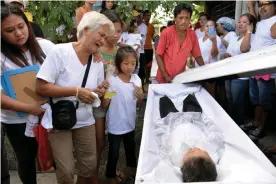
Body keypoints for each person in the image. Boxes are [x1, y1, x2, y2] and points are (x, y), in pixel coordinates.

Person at [36, 11, 114, 184]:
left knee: (89, 166)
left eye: (105, 37)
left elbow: (94, 91)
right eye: (101, 35)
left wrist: (98, 91)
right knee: (66, 171)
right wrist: (76, 91)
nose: (102, 41)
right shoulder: (60, 52)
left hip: (86, 120)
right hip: (60, 118)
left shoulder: (97, 61)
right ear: (85, 30)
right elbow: (41, 87)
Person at [1, 5, 54, 184]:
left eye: (21, 26)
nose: (18, 33)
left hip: (49, 114)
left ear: (28, 25)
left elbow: (69, 62)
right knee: (26, 161)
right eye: (9, 30)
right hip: (17, 121)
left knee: (55, 157)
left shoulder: (44, 46)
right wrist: (31, 108)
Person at [143, 94, 224, 182]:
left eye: (191, 152)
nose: (196, 148)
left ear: (183, 165)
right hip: (193, 120)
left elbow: (163, 142)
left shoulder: (174, 159)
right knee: (191, 100)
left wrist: (163, 126)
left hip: (173, 122)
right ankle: (189, 96)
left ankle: (164, 97)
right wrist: (204, 119)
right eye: (203, 151)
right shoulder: (213, 155)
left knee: (164, 102)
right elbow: (215, 134)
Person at [102, 46, 144, 184]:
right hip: (115, 124)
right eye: (126, 63)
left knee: (130, 150)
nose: (130, 67)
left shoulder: (136, 80)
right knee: (113, 153)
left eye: (133, 63)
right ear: (118, 63)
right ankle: (110, 176)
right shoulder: (113, 82)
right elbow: (105, 104)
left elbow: (138, 102)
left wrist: (141, 97)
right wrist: (107, 87)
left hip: (130, 123)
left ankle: (131, 171)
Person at [92, 10, 122, 184]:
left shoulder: (120, 52)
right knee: (99, 142)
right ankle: (93, 175)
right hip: (97, 103)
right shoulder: (95, 50)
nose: (117, 35)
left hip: (115, 102)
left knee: (114, 140)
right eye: (113, 31)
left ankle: (111, 172)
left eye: (119, 31)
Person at [240, 0, 276, 140]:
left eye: (266, 4)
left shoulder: (274, 20)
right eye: (260, 4)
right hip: (253, 69)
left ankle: (261, 127)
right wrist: (250, 5)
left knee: (264, 101)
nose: (262, 7)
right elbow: (254, 18)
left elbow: (273, 34)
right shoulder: (261, 22)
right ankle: (255, 123)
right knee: (256, 100)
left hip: (265, 70)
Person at [156, 3, 204, 84]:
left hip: (180, 78)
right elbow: (158, 55)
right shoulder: (166, 33)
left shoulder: (192, 34)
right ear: (175, 19)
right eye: (180, 18)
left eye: (187, 18)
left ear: (190, 19)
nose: (184, 21)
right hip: (163, 78)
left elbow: (197, 56)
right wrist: (165, 75)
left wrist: (206, 71)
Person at [224, 13, 257, 126]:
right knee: (230, 99)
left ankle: (239, 124)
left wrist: (249, 32)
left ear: (250, 25)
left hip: (241, 75)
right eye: (239, 21)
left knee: (238, 101)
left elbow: (244, 49)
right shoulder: (234, 38)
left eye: (244, 22)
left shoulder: (252, 37)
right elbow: (227, 53)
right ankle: (230, 123)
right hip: (229, 72)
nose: (240, 24)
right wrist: (226, 55)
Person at [196, 20, 222, 97]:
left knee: (210, 93)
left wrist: (214, 41)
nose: (208, 28)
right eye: (207, 26)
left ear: (214, 29)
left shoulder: (217, 38)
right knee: (199, 92)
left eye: (211, 26)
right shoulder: (199, 40)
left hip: (210, 71)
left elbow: (214, 54)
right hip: (198, 70)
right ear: (204, 28)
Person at [144, 10, 155, 83]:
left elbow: (152, 36)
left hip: (149, 49)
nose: (148, 17)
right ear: (144, 16)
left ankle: (147, 79)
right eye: (147, 15)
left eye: (149, 15)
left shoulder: (151, 26)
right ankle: (142, 79)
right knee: (142, 65)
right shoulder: (141, 26)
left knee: (149, 65)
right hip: (142, 49)